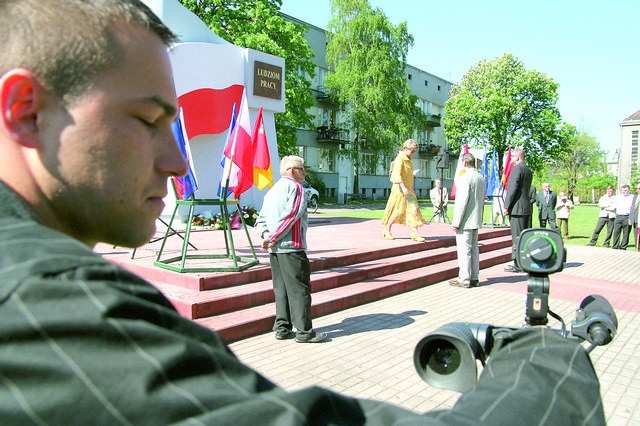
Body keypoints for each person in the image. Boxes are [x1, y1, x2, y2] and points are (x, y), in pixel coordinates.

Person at [0, 1, 606, 423]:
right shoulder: (49, 301)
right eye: (148, 120)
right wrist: (549, 359)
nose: (179, 164)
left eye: (176, 126)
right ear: (26, 109)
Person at [255, 156, 327, 343]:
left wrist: (264, 236)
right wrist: (271, 237)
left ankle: (282, 328)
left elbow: (260, 219)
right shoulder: (296, 188)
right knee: (299, 290)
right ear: (291, 170)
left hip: (275, 250)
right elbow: (291, 216)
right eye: (302, 169)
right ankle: (304, 332)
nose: (304, 172)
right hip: (291, 247)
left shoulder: (272, 191)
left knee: (281, 290)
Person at [449, 153, 485, 288]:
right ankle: (475, 277)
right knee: (474, 249)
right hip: (476, 219)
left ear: (464, 163)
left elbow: (461, 202)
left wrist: (456, 222)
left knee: (464, 250)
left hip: (465, 221)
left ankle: (464, 278)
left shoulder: (465, 178)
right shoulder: (480, 177)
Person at [382, 139, 426, 242]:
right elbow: (396, 173)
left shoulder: (409, 160)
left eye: (414, 151)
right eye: (412, 151)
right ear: (406, 148)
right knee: (397, 211)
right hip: (399, 190)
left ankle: (415, 233)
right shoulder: (399, 159)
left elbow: (409, 176)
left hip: (408, 189)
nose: (413, 153)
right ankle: (387, 229)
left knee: (414, 210)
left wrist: (411, 189)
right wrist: (403, 187)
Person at [503, 148, 533, 272]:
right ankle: (524, 262)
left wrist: (506, 206)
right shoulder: (528, 170)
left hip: (517, 208)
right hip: (526, 207)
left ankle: (518, 264)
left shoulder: (517, 169)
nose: (510, 159)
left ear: (518, 157)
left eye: (512, 156)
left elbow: (513, 189)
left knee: (517, 237)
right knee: (525, 237)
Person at [612, 184, 634, 250]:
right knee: (616, 232)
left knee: (626, 233)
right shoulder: (618, 197)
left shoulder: (632, 197)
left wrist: (631, 217)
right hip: (618, 216)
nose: (624, 192)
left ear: (629, 190)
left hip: (627, 216)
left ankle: (623, 247)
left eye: (625, 190)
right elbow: (614, 206)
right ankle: (615, 246)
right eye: (623, 190)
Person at [630, 183, 640, 250]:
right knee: (636, 234)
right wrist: (631, 218)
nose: (638, 190)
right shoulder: (635, 197)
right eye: (637, 188)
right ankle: (637, 248)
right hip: (636, 219)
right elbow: (632, 208)